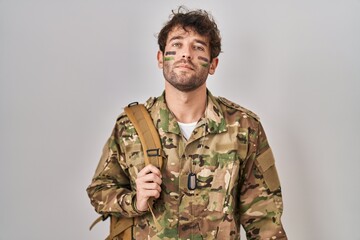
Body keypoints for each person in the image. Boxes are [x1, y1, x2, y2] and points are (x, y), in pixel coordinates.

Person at [87, 6, 287, 240]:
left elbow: (265, 221)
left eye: (198, 47)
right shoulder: (130, 126)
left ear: (213, 65)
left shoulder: (244, 128)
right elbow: (99, 191)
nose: (186, 54)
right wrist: (135, 201)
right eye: (177, 45)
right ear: (161, 59)